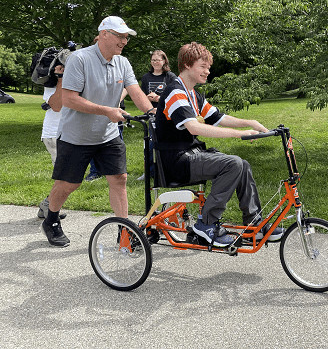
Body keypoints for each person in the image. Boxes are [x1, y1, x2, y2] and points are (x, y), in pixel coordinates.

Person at [155, 42, 284, 247]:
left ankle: (253, 223)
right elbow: (194, 128)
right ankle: (206, 224)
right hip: (176, 162)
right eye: (203, 66)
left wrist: (249, 123)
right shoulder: (175, 92)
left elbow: (217, 117)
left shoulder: (193, 94)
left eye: (208, 67)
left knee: (242, 164)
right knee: (233, 164)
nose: (208, 71)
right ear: (188, 65)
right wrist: (239, 134)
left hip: (190, 156)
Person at [41, 16, 155, 247]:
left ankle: (124, 231)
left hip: (108, 135)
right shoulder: (80, 59)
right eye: (120, 36)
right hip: (76, 137)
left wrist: (153, 113)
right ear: (104, 34)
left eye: (126, 37)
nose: (124, 41)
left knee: (119, 178)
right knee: (69, 184)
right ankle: (51, 218)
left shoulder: (122, 62)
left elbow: (134, 91)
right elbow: (69, 100)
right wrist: (106, 111)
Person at [137, 50, 176, 180]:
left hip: (167, 116)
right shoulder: (146, 77)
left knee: (166, 144)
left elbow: (176, 96)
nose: (155, 63)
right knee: (149, 145)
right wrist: (147, 98)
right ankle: (149, 172)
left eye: (158, 60)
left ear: (164, 61)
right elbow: (140, 96)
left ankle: (167, 170)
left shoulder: (170, 77)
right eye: (153, 60)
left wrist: (158, 98)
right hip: (151, 115)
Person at [37, 64, 67, 220]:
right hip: (54, 134)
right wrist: (60, 78)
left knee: (66, 176)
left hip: (69, 134)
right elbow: (56, 106)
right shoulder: (51, 81)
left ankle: (48, 204)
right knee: (64, 176)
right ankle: (49, 207)